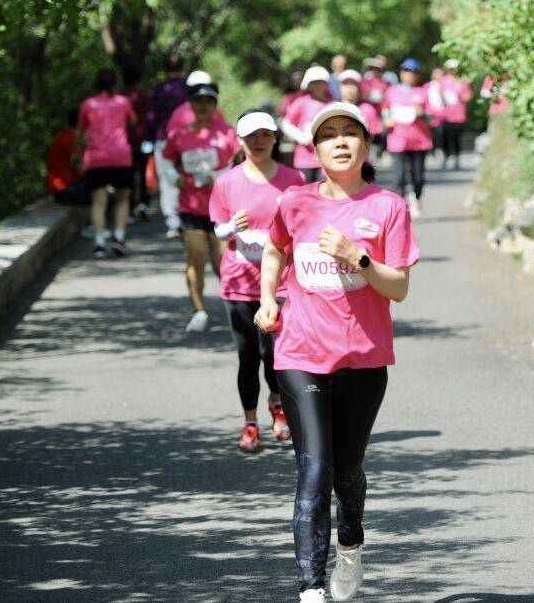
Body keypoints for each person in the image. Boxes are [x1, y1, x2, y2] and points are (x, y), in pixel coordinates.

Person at [255, 102, 419, 602]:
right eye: (330, 135)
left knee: (347, 473)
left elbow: (398, 289)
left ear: (366, 146)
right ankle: (310, 590)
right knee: (314, 469)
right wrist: (266, 298)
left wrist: (358, 257)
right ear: (315, 149)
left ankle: (350, 545)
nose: (341, 141)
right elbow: (276, 247)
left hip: (364, 360)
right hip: (300, 353)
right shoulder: (295, 202)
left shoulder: (388, 207)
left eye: (351, 133)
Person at [209, 111, 305, 451]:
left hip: (280, 280)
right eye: (252, 136)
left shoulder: (294, 178)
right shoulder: (226, 182)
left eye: (265, 135)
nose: (259, 141)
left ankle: (278, 407)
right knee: (248, 355)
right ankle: (250, 423)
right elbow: (218, 229)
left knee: (275, 353)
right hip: (239, 281)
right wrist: (233, 226)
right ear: (240, 141)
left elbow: (304, 224)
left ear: (275, 138)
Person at [163, 82, 239, 333]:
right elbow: (165, 160)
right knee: (195, 258)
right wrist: (176, 179)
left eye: (209, 102)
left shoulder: (227, 132)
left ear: (215, 106)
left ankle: (236, 309)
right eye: (199, 102)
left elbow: (240, 164)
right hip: (191, 208)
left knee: (222, 263)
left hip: (222, 209)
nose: (204, 106)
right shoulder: (180, 134)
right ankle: (199, 311)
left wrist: (218, 176)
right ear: (191, 105)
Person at [76, 68, 137, 259]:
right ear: (114, 84)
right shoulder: (123, 102)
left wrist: (76, 154)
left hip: (96, 158)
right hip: (120, 155)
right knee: (122, 197)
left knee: (99, 201)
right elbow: (134, 120)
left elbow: (80, 132)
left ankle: (99, 244)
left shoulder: (88, 104)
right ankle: (119, 238)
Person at [382, 58, 432, 218]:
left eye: (413, 71)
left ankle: (416, 199)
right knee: (399, 176)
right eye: (406, 70)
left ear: (417, 75)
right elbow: (385, 109)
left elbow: (432, 117)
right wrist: (386, 119)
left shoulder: (423, 93)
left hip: (419, 141)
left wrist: (422, 114)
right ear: (401, 72)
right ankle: (400, 208)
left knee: (418, 177)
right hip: (397, 141)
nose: (409, 74)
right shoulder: (391, 92)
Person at [144, 55, 188, 237]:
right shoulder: (189, 89)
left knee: (167, 180)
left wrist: (149, 138)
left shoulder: (159, 90)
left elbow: (151, 118)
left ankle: (173, 221)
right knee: (188, 176)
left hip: (163, 139)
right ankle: (188, 216)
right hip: (187, 140)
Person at [280, 65, 331, 183]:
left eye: (321, 82)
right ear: (308, 85)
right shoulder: (301, 103)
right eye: (314, 82)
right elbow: (286, 123)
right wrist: (300, 136)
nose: (318, 85)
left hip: (326, 159)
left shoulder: (332, 104)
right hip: (304, 159)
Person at [120, 66, 150, 219]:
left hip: (125, 142)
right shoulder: (144, 96)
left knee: (129, 175)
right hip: (143, 139)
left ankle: (130, 208)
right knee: (143, 173)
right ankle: (143, 203)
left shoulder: (120, 97)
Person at [47, 109, 90, 206]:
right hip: (65, 190)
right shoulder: (70, 138)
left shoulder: (66, 136)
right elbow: (81, 170)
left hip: (68, 187)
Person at [439, 59, 473, 169]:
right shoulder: (442, 81)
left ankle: (456, 158)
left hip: (459, 115)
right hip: (445, 115)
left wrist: (459, 96)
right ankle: (446, 156)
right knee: (445, 137)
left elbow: (468, 95)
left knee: (456, 137)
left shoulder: (462, 81)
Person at [337, 69, 382, 144]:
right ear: (340, 87)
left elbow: (373, 135)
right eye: (346, 84)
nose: (349, 88)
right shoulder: (332, 108)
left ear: (359, 87)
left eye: (353, 84)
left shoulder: (368, 109)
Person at [424, 67, 445, 165]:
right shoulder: (427, 86)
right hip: (429, 114)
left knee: (439, 133)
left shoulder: (443, 86)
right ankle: (430, 151)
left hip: (440, 114)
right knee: (429, 133)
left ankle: (438, 150)